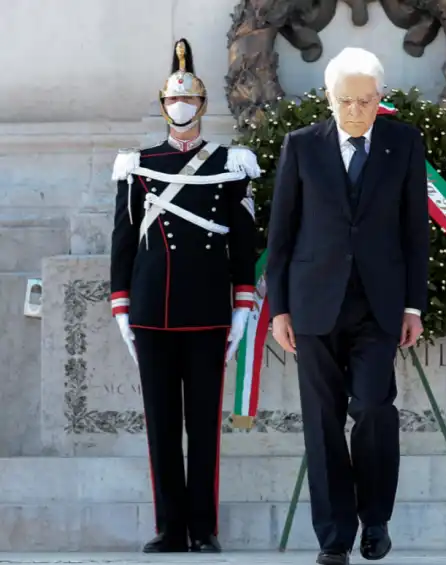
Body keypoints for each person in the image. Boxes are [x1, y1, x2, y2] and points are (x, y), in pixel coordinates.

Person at [266, 47, 429, 565]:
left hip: (378, 306)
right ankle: (333, 538)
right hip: (314, 304)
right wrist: (280, 309)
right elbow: (282, 233)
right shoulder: (301, 145)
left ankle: (375, 518)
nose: (355, 111)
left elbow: (413, 230)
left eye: (365, 100)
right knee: (321, 420)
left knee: (375, 409)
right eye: (346, 101)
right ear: (329, 98)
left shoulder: (403, 143)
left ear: (379, 98)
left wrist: (414, 306)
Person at [109, 38, 261, 553]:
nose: (181, 108)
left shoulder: (230, 162)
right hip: (152, 309)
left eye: (190, 101)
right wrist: (121, 305)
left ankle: (203, 527)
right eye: (174, 101)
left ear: (202, 106)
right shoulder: (137, 163)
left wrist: (243, 305)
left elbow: (243, 244)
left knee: (203, 426)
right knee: (161, 425)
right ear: (162, 105)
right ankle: (170, 527)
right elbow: (123, 240)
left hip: (205, 308)